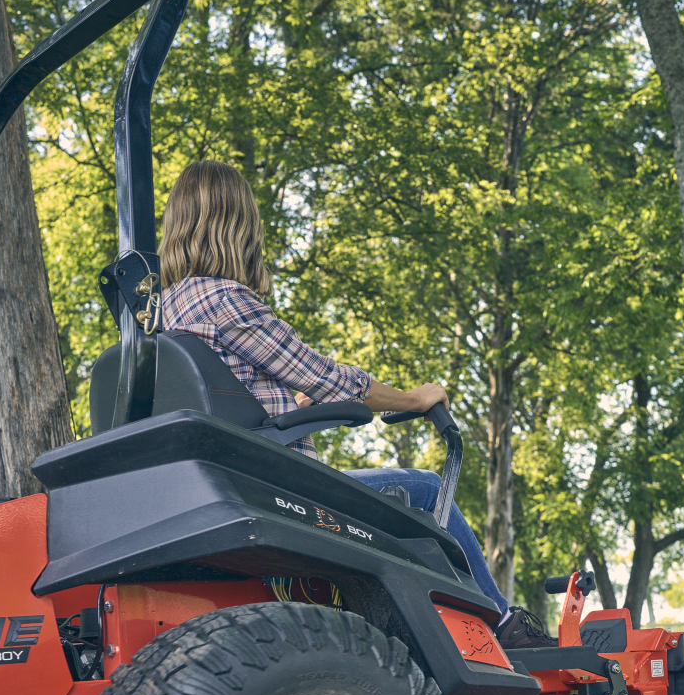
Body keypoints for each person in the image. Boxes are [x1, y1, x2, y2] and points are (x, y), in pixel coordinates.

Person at [157, 159, 551, 648]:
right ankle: (500, 624)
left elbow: (228, 398)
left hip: (232, 484)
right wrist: (412, 398)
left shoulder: (165, 311)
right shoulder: (227, 301)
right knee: (426, 490)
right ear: (236, 224)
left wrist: (293, 406)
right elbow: (328, 379)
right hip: (287, 492)